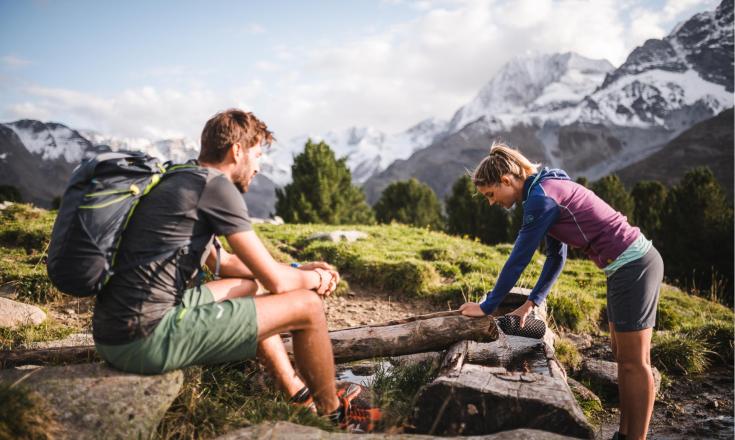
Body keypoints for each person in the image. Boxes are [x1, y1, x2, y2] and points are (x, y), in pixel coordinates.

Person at [92, 108, 380, 432]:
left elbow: (225, 263)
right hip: (145, 338)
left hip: (113, 328)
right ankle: (334, 418)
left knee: (246, 287)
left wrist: (295, 268)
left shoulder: (182, 177)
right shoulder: (216, 187)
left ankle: (298, 394)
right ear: (237, 151)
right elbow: (275, 281)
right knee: (308, 306)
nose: (258, 166)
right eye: (257, 155)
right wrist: (317, 279)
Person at [459, 144, 663, 440]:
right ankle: (624, 434)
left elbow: (519, 258)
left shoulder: (541, 199)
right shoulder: (544, 187)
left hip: (634, 266)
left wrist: (488, 305)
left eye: (490, 194)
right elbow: (556, 256)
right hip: (622, 268)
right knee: (622, 356)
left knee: (635, 362)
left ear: (506, 180)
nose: (491, 203)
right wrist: (532, 302)